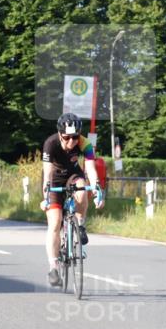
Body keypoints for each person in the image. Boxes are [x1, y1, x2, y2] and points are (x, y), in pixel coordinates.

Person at [40, 113, 104, 286]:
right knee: (55, 222)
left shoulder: (85, 143)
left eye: (75, 137)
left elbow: (90, 169)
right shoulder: (50, 144)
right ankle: (54, 267)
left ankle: (80, 225)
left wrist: (97, 191)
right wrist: (45, 197)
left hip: (73, 175)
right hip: (54, 180)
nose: (71, 141)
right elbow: (47, 174)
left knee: (82, 191)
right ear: (60, 134)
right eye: (67, 137)